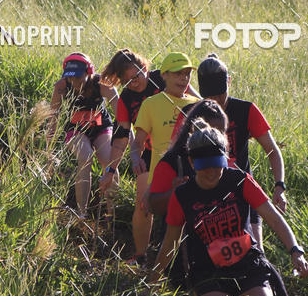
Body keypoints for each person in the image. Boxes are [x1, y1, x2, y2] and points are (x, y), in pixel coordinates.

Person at [151, 121, 308, 296]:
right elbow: (169, 243)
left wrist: (295, 250)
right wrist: (154, 279)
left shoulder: (240, 181)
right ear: (192, 164)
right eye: (205, 169)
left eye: (218, 165)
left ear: (225, 159)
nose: (213, 174)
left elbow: (272, 217)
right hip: (207, 274)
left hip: (248, 267)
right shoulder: (182, 196)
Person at [177, 53, 287, 250]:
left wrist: (279, 185)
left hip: (241, 189)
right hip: (203, 193)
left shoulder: (246, 110)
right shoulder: (190, 114)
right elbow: (177, 152)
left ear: (229, 82)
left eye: (221, 93)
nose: (216, 100)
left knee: (256, 249)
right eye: (210, 96)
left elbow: (271, 149)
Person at [98, 49, 165, 263]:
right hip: (148, 152)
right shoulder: (126, 98)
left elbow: (192, 101)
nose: (133, 83)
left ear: (144, 67)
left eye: (136, 76)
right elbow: (120, 138)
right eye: (127, 81)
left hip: (178, 149)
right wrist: (110, 170)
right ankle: (141, 255)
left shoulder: (162, 79)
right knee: (143, 203)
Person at [48, 52, 119, 219]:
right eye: (71, 78)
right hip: (76, 130)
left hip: (101, 127)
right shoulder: (61, 87)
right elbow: (53, 119)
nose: (75, 83)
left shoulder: (103, 84)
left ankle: (113, 213)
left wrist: (127, 133)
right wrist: (48, 150)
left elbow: (120, 112)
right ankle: (82, 214)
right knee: (85, 157)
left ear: (89, 72)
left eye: (79, 78)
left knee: (109, 162)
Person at [131, 52, 197, 187]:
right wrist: (136, 159)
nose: (184, 78)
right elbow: (138, 142)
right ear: (164, 75)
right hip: (160, 178)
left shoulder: (197, 105)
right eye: (178, 73)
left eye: (187, 73)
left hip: (192, 180)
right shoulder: (151, 104)